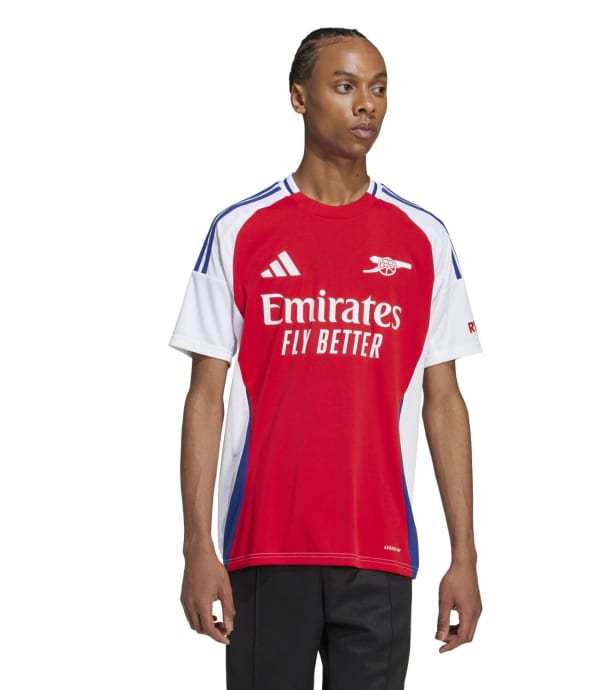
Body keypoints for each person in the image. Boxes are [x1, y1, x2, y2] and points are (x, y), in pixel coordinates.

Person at [169, 27, 482, 690]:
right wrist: (198, 546)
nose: (366, 103)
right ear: (299, 97)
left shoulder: (424, 238)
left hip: (380, 552)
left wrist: (465, 556)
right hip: (263, 546)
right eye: (344, 86)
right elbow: (205, 397)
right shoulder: (239, 230)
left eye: (378, 88)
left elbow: (444, 400)